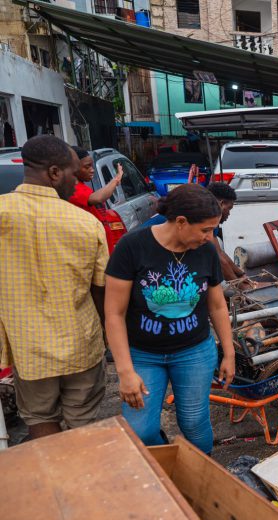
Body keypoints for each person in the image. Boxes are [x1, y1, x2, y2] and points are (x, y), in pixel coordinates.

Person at [105, 184, 235, 454]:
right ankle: (167, 461)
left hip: (194, 352)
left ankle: (201, 475)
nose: (209, 237)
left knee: (194, 423)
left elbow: (217, 306)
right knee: (140, 431)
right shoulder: (132, 247)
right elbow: (114, 314)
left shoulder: (206, 250)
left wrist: (229, 352)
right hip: (143, 355)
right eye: (205, 230)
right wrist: (125, 371)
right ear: (181, 222)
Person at [0, 135, 109, 439]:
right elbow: (100, 288)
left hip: (26, 345)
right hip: (81, 342)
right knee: (83, 419)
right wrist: (106, 332)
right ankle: (81, 480)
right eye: (74, 174)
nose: (78, 183)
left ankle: (54, 482)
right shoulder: (86, 223)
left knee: (38, 418)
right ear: (54, 173)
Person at [68, 146, 123, 220]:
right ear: (74, 167)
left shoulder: (83, 186)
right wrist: (116, 179)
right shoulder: (73, 190)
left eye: (92, 166)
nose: (92, 170)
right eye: (87, 166)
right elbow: (98, 198)